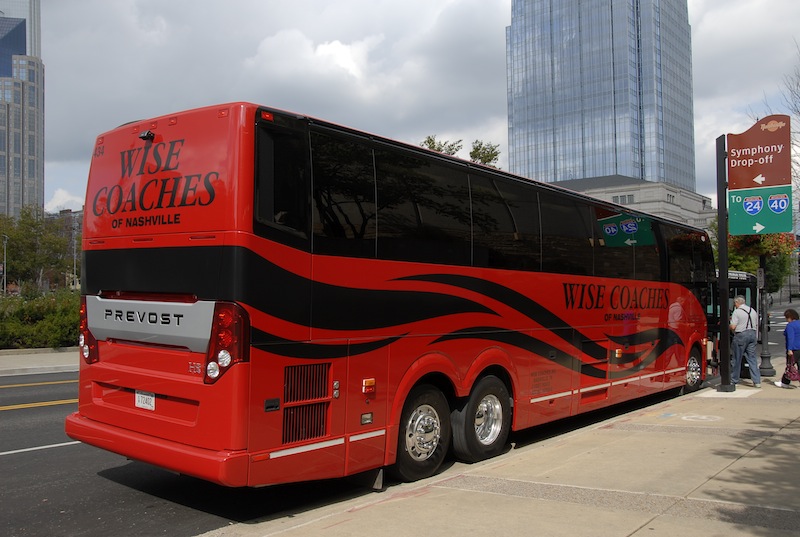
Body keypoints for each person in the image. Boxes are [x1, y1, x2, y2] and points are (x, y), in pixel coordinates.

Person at [730, 295, 760, 387]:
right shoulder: (752, 310)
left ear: (737, 303)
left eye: (735, 303)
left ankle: (734, 380)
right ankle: (757, 381)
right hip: (752, 334)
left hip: (741, 335)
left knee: (736, 359)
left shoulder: (737, 312)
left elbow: (733, 327)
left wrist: (730, 326)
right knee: (752, 359)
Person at [775, 308, 800, 388]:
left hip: (794, 348)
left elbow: (790, 338)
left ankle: (785, 382)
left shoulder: (790, 326)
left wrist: (789, 349)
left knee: (790, 366)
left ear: (789, 317)